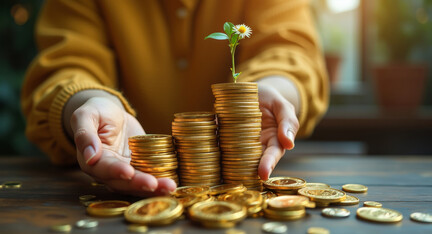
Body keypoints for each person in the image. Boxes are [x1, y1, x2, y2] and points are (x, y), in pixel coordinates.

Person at [21, 0, 329, 196]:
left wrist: (271, 90)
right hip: (122, 168)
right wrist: (86, 103)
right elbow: (67, 62)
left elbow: (289, 49)